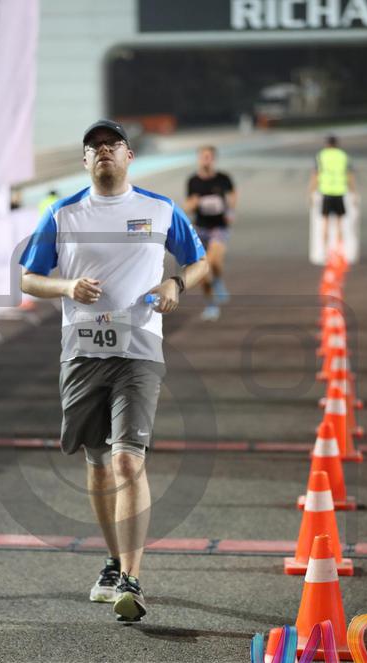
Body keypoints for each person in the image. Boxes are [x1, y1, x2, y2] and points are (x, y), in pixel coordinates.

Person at [20, 120, 208, 622]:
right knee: (99, 463)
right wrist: (67, 287)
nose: (104, 151)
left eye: (113, 145)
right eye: (94, 147)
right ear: (85, 161)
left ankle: (131, 578)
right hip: (82, 353)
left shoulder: (160, 208)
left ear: (129, 156)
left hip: (139, 350)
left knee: (128, 461)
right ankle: (111, 561)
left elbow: (200, 262)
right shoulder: (62, 213)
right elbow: (29, 279)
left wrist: (175, 284)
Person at [185, 146, 237, 321]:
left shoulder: (223, 178)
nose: (205, 160)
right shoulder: (193, 181)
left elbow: (233, 194)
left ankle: (218, 281)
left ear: (213, 159)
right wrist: (192, 204)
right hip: (200, 228)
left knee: (214, 262)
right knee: (203, 270)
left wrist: (231, 211)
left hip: (219, 227)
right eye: (203, 157)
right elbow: (188, 205)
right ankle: (210, 305)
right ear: (199, 159)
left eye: (208, 157)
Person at [309, 135, 356, 256]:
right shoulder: (343, 156)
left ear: (327, 144)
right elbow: (349, 175)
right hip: (339, 192)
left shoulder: (321, 155)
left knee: (325, 222)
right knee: (340, 224)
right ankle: (339, 253)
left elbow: (315, 175)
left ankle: (325, 252)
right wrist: (353, 192)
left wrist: (311, 191)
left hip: (326, 192)